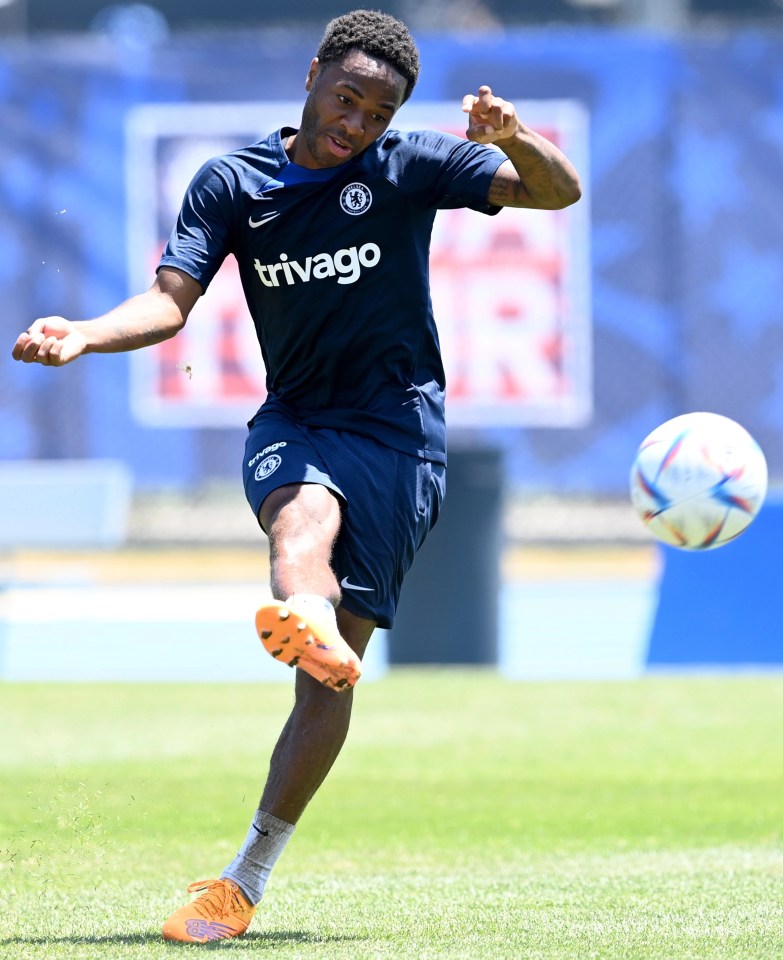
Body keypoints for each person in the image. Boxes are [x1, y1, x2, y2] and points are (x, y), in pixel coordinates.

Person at [12, 8, 581, 944]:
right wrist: (81, 334)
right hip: (298, 416)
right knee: (298, 516)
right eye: (345, 97)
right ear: (314, 73)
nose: (354, 122)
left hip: (399, 432)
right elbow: (168, 303)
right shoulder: (233, 183)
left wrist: (517, 136)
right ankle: (305, 619)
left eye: (375, 111)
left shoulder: (408, 165)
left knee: (329, 686)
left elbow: (554, 195)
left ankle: (244, 878)